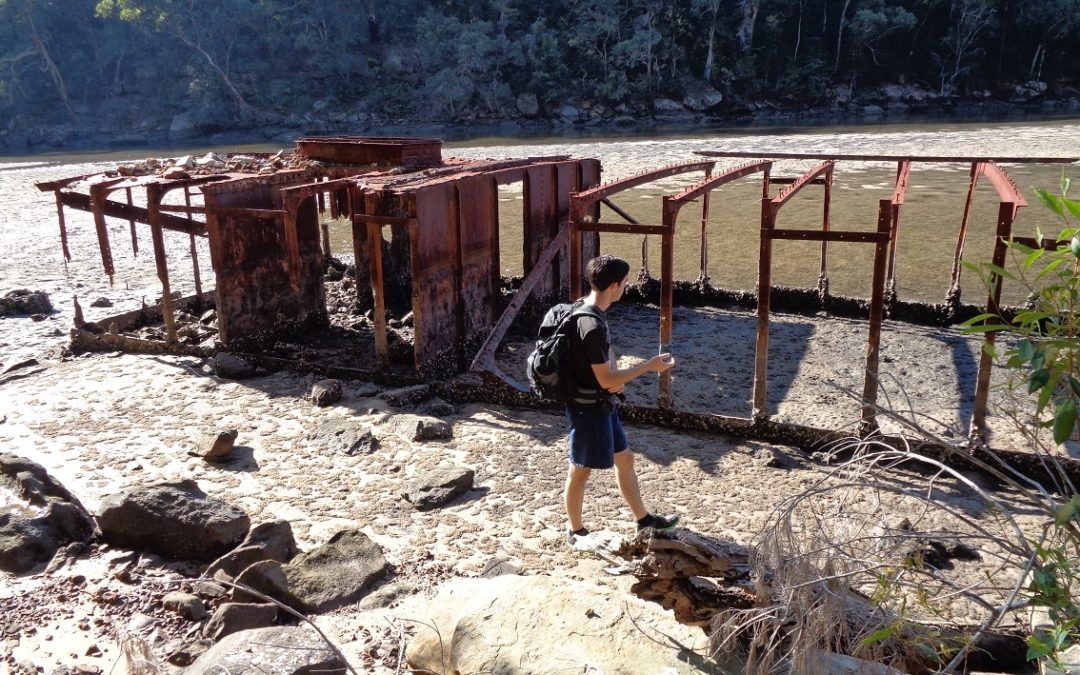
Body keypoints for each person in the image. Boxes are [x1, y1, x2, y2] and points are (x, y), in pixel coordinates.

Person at [563, 254, 679, 545]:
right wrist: (649, 366)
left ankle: (643, 520)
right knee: (579, 470)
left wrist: (616, 378)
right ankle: (575, 532)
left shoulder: (587, 307)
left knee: (625, 459)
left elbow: (605, 353)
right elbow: (606, 379)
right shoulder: (591, 325)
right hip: (588, 408)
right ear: (614, 286)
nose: (626, 288)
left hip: (601, 403)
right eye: (625, 283)